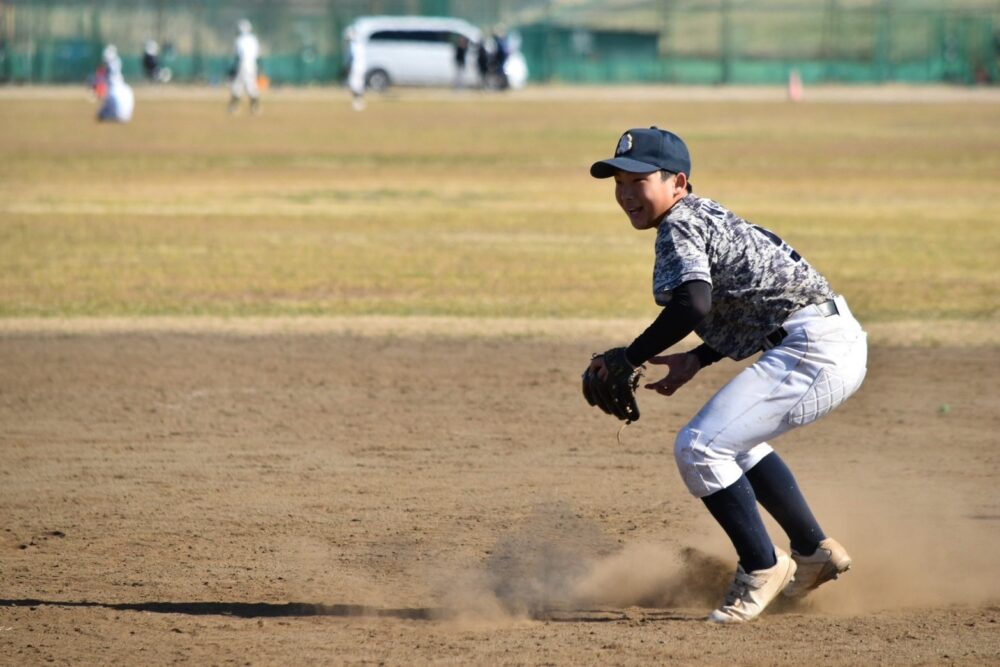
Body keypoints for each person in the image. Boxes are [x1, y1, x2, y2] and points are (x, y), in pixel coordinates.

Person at [584, 127, 868, 623]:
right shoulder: (703, 213)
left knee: (698, 447)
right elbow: (752, 299)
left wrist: (630, 356)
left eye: (639, 179)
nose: (626, 193)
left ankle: (762, 566)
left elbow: (694, 302)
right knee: (733, 441)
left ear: (678, 182)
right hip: (826, 339)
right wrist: (698, 358)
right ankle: (811, 551)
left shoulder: (679, 225)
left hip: (814, 350)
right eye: (619, 181)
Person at [228, 19, 261, 114]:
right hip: (253, 64)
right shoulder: (254, 39)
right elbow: (258, 55)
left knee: (238, 85)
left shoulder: (239, 40)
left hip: (243, 64)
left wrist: (234, 69)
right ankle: (255, 108)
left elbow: (237, 56)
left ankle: (233, 108)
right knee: (252, 85)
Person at [96, 44, 134, 123]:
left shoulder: (112, 91)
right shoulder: (127, 90)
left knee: (103, 113)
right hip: (123, 92)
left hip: (115, 92)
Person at [346, 27, 366, 111]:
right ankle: (359, 102)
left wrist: (348, 67)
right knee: (359, 85)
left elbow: (352, 58)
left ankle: (358, 102)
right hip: (362, 66)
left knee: (354, 85)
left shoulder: (354, 45)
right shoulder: (361, 45)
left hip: (356, 67)